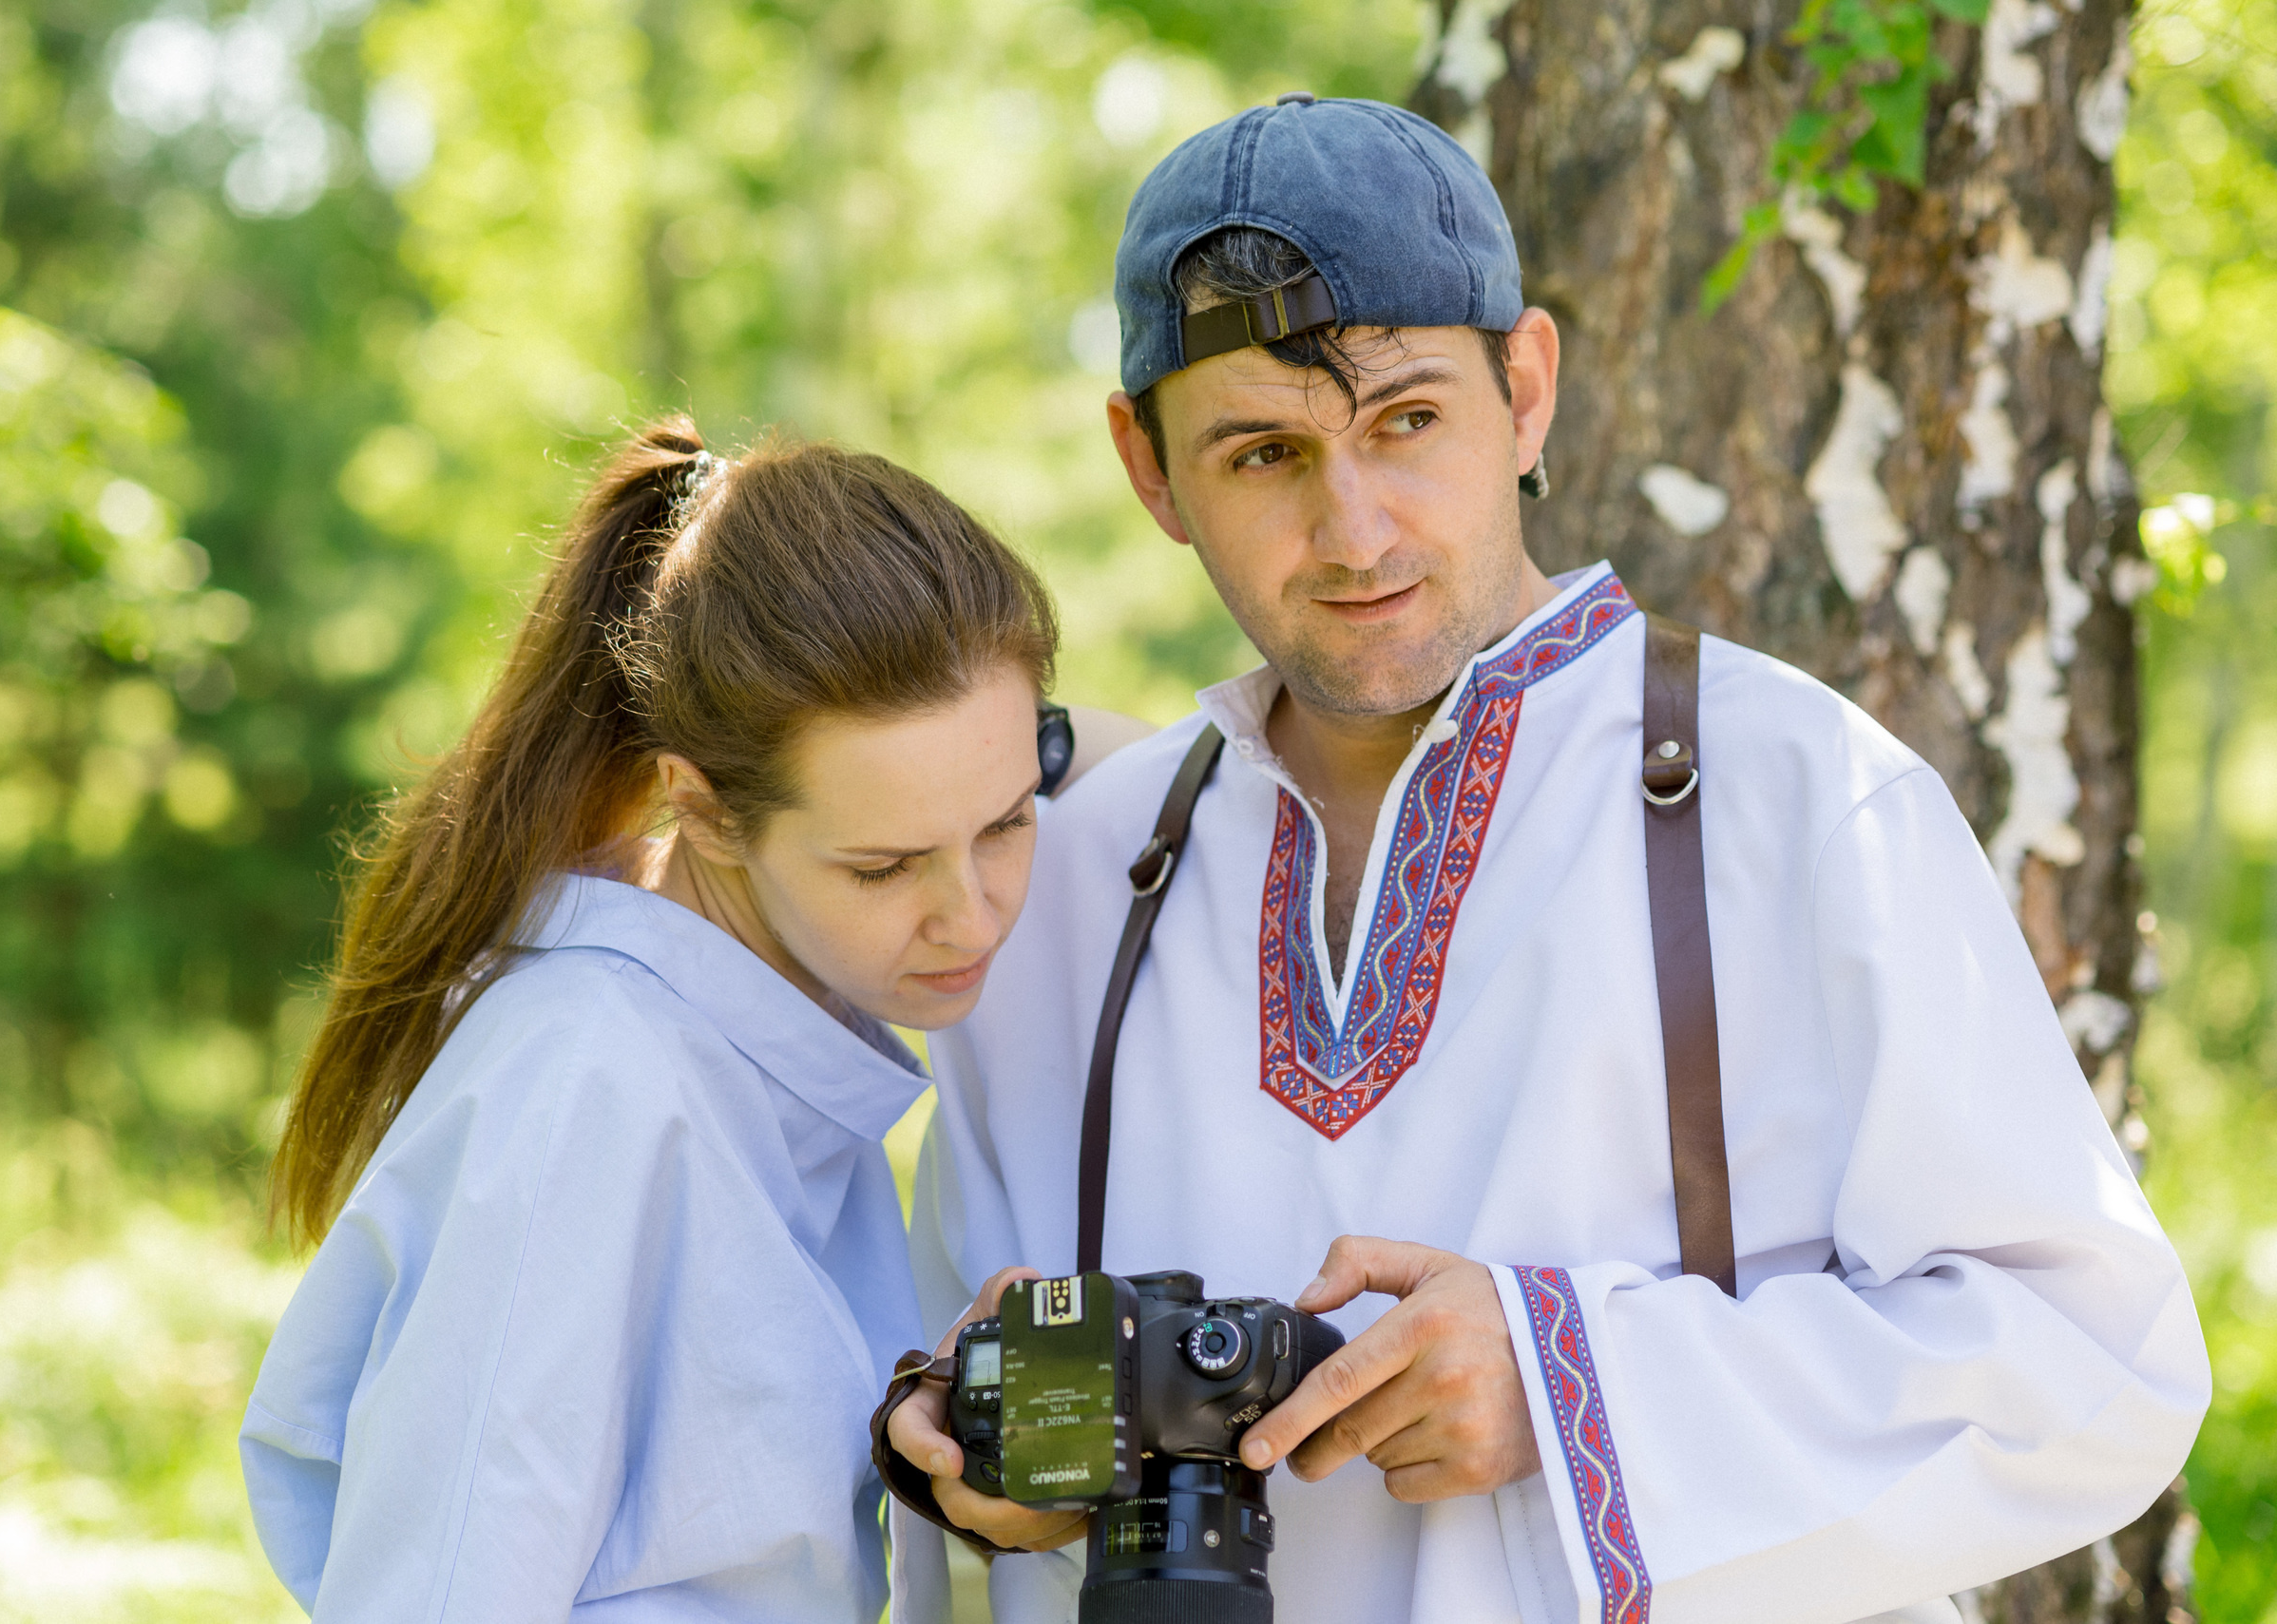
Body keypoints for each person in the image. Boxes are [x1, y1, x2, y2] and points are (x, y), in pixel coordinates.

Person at [889, 98, 2210, 1622]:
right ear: (1151, 471)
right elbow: (955, 1416)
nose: (1354, 528)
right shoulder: (1061, 889)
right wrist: (984, 1468)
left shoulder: (1799, 798)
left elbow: (2095, 1362)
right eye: (1262, 454)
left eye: (1406, 420)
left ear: (1525, 390)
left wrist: (1577, 1386)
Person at [239, 419, 1132, 1621]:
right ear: (703, 811)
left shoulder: (780, 1049)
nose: (971, 915)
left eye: (1010, 820)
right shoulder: (588, 1083)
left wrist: (940, 1407)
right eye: (883, 866)